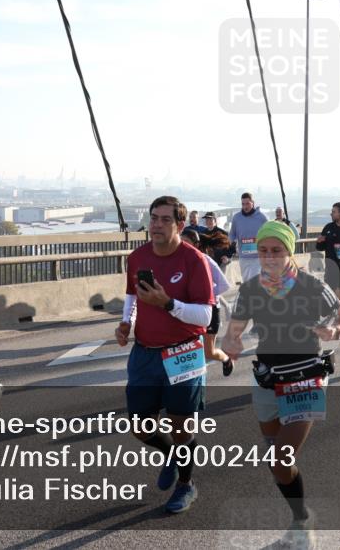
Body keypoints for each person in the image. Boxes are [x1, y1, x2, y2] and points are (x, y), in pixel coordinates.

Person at [222, 220, 340, 548]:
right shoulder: (251, 289)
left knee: (279, 460)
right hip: (267, 379)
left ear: (290, 252)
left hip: (306, 378)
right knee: (278, 465)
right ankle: (300, 514)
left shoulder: (312, 286)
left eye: (277, 250)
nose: (269, 257)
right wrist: (230, 345)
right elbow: (233, 332)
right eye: (263, 250)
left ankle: (301, 520)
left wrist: (336, 332)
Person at [115, 196, 215, 514]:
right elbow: (132, 296)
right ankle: (170, 454)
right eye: (153, 218)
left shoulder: (194, 260)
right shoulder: (138, 257)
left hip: (183, 352)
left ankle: (186, 484)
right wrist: (126, 322)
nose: (156, 225)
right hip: (145, 352)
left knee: (181, 427)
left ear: (180, 225)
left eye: (165, 219)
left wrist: (168, 304)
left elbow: (206, 316)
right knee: (140, 427)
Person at [181, 229, 234, 376]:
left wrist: (205, 294)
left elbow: (224, 285)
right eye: (181, 242)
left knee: (209, 352)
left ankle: (226, 359)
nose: (183, 245)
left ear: (196, 245)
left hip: (210, 309)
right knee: (187, 347)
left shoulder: (205, 260)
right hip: (191, 309)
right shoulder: (179, 261)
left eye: (186, 242)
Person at [229, 192, 268, 283]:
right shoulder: (237, 218)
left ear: (253, 203)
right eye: (243, 204)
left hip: (258, 257)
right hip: (243, 257)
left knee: (254, 280)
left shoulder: (262, 217)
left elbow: (269, 233)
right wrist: (232, 242)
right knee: (247, 282)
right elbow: (232, 234)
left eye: (247, 204)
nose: (245, 207)